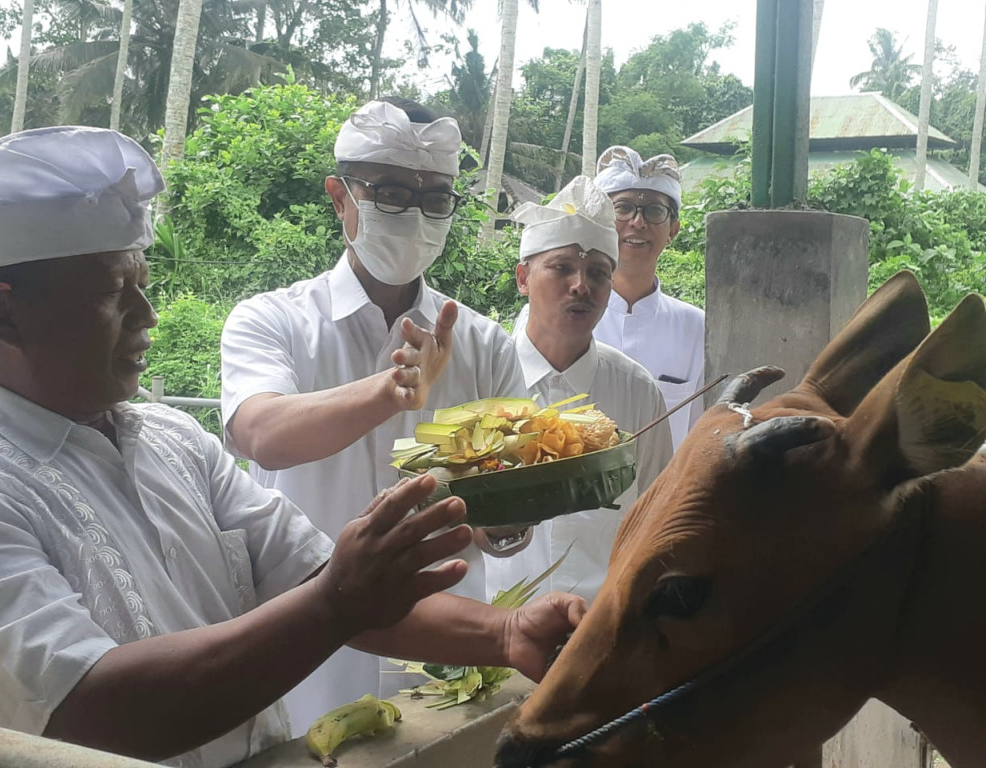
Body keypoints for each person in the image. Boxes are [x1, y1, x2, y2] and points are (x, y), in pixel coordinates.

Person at [0, 126, 585, 768]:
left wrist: (508, 631)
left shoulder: (174, 442)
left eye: (142, 285)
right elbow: (87, 711)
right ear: (2, 314)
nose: (148, 315)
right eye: (112, 293)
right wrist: (334, 602)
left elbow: (314, 573)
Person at [220, 99, 530, 733]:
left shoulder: (486, 344)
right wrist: (393, 390)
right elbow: (261, 434)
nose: (414, 215)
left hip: (445, 667)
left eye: (435, 198)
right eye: (390, 193)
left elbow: (506, 509)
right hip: (306, 660)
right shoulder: (272, 320)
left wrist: (513, 516)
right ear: (340, 198)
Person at [484, 176, 674, 604]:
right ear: (523, 277)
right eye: (561, 267)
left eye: (598, 273)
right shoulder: (482, 377)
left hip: (600, 624)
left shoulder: (637, 391)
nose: (581, 286)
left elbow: (655, 518)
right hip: (492, 624)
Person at [514, 148, 705, 450]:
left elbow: (700, 437)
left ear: (674, 230)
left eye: (654, 211)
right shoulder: (546, 322)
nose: (638, 222)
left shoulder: (697, 328)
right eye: (623, 208)